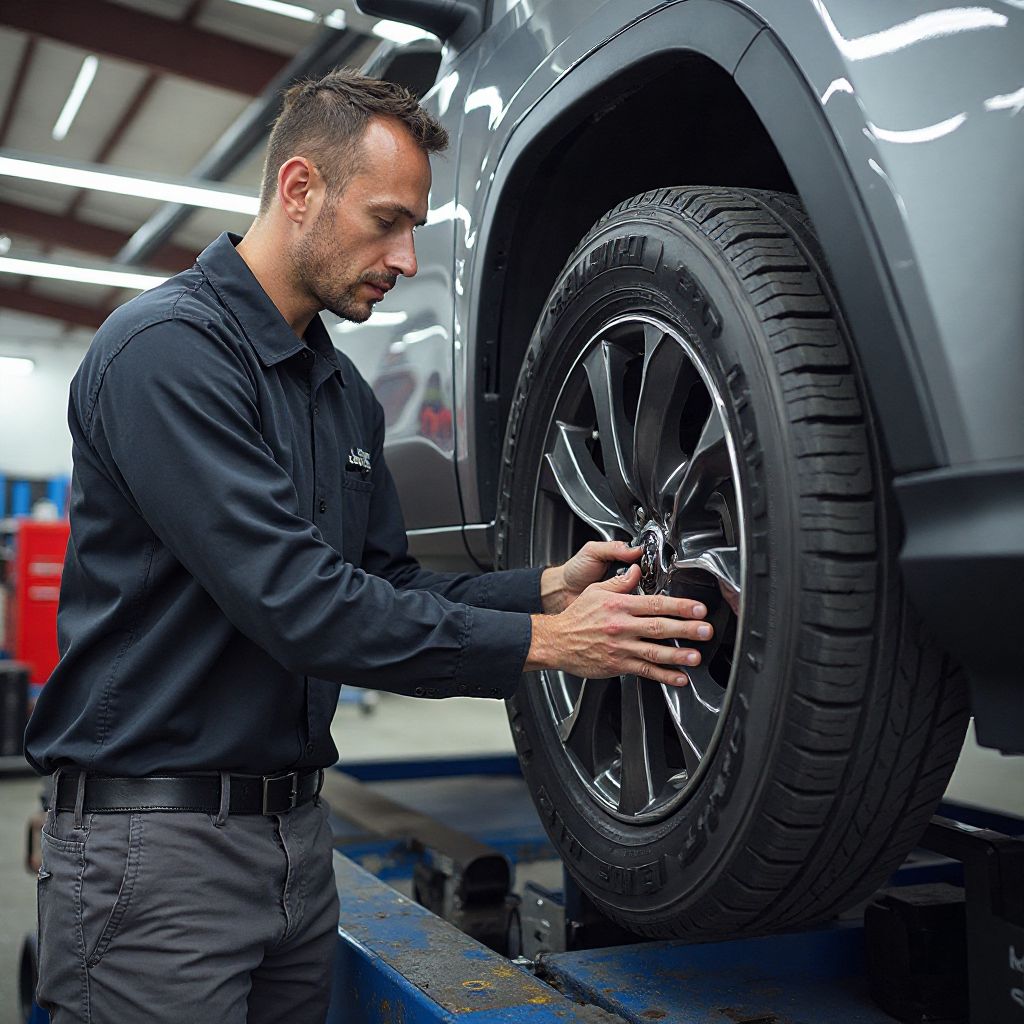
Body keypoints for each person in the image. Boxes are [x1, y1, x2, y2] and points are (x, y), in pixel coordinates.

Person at [24, 69, 712, 1023]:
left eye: (417, 225)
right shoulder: (166, 354)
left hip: (296, 845)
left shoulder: (339, 391)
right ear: (299, 187)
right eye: (387, 219)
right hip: (160, 853)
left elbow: (379, 582)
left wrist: (542, 592)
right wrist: (545, 647)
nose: (406, 255)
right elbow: (301, 607)